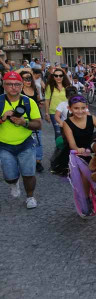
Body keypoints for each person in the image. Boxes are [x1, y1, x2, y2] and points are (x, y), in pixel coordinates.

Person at [0, 71, 42, 208]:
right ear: (4, 85)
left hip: (26, 143)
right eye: (9, 84)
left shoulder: (28, 102)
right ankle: (13, 183)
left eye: (17, 84)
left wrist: (24, 123)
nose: (13, 87)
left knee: (29, 173)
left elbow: (38, 124)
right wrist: (3, 118)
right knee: (10, 176)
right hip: (4, 145)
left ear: (21, 85)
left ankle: (30, 197)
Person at [18, 69, 44, 173]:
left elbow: (38, 100)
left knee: (38, 140)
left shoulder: (35, 89)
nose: (28, 80)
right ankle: (24, 160)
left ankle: (38, 161)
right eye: (25, 78)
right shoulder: (19, 90)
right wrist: (27, 69)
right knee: (24, 139)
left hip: (36, 118)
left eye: (30, 78)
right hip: (23, 119)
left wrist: (40, 103)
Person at [44, 68, 71, 139]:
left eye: (60, 75)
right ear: (53, 77)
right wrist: (47, 113)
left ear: (63, 76)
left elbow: (72, 99)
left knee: (68, 130)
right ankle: (59, 148)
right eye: (56, 76)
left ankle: (68, 146)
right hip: (54, 112)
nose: (58, 77)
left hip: (67, 112)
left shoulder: (68, 86)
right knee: (58, 132)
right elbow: (47, 100)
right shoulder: (50, 87)